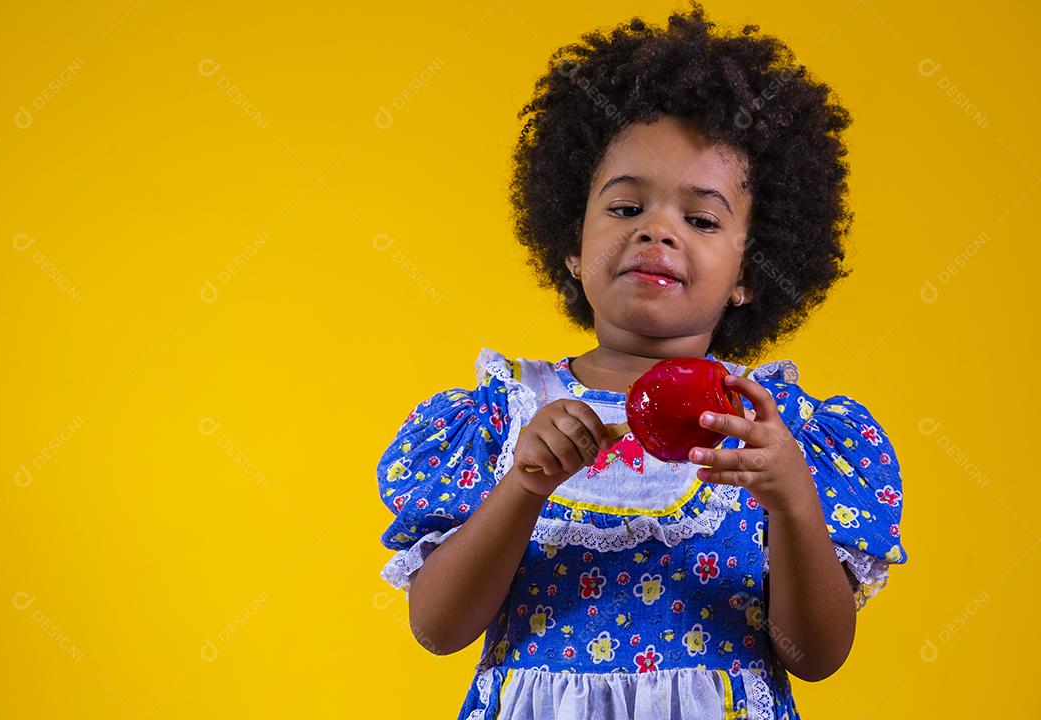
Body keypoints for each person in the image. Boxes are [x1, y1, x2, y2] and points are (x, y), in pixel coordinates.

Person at [376, 5, 907, 718]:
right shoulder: (502, 419)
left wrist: (791, 499)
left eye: (701, 219)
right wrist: (522, 485)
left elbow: (816, 657)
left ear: (753, 270)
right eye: (626, 208)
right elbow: (438, 629)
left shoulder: (773, 435)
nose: (658, 229)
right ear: (570, 241)